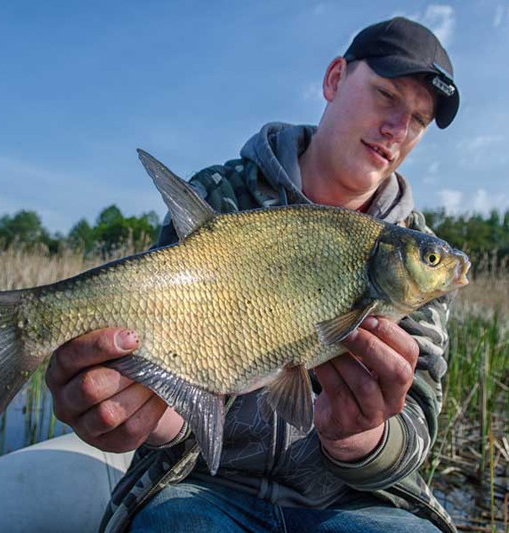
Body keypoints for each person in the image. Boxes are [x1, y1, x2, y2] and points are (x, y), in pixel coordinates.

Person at [45, 16, 461, 533]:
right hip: (205, 487)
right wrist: (142, 412)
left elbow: (416, 432)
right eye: (385, 96)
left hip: (357, 504)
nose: (398, 129)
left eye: (419, 120)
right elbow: (178, 403)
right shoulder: (220, 196)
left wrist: (361, 437)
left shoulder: (417, 255)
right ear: (334, 80)